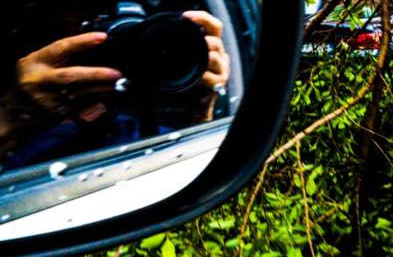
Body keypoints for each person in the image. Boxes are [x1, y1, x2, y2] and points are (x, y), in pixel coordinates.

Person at [0, 10, 229, 172]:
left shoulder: (141, 123)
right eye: (85, 27)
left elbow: (185, 164)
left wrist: (201, 110)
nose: (108, 43)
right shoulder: (23, 106)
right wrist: (11, 118)